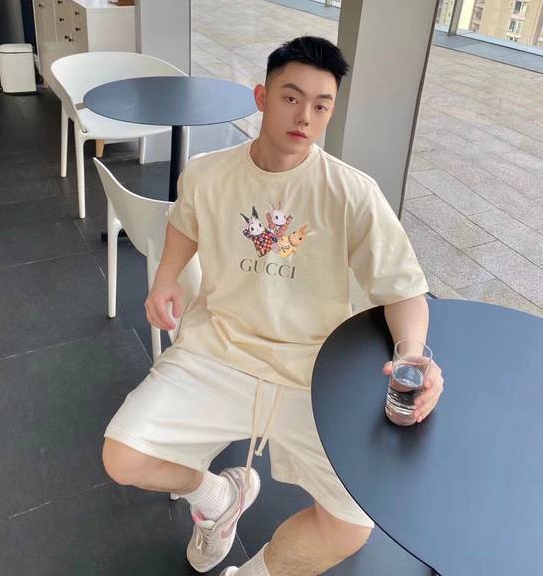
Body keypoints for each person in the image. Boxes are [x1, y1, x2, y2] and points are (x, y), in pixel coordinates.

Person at [102, 36, 444, 576]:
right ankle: (218, 499)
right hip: (217, 349)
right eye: (291, 97)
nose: (305, 116)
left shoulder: (352, 192)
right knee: (123, 458)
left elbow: (403, 290)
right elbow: (184, 224)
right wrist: (166, 278)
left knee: (351, 524)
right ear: (261, 97)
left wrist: (412, 354)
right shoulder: (207, 172)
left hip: (311, 370)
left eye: (321, 106)